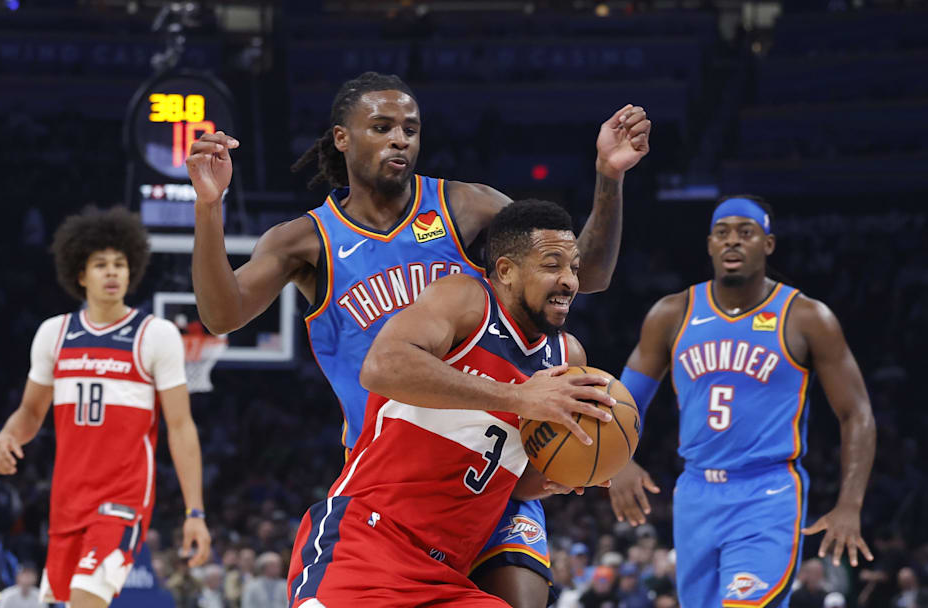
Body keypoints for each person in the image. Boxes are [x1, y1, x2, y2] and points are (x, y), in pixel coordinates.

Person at [186, 71, 650, 607]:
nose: (399, 139)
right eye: (381, 127)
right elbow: (222, 315)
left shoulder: (465, 207)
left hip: (491, 469)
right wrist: (208, 209)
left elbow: (569, 266)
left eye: (410, 128)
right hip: (393, 476)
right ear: (342, 137)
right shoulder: (306, 239)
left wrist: (607, 177)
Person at [285, 199, 612, 605]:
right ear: (507, 271)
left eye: (574, 268)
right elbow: (381, 366)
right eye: (552, 266)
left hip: (444, 574)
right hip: (366, 542)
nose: (569, 281)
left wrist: (560, 476)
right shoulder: (465, 301)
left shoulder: (567, 359)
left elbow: (513, 479)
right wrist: (518, 396)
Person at [608, 195, 877, 606]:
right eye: (723, 234)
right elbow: (625, 402)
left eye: (745, 233)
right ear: (710, 244)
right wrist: (619, 461)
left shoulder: (805, 317)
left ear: (767, 244)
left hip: (766, 492)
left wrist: (850, 504)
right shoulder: (672, 313)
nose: (732, 242)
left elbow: (855, 412)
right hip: (695, 491)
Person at [0, 206, 211, 608]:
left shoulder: (154, 335)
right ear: (80, 274)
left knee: (86, 601)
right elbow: (31, 412)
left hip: (121, 501)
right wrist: (7, 435)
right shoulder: (54, 334)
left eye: (120, 264)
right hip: (67, 503)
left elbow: (181, 427)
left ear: (132, 271)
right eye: (101, 265)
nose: (112, 272)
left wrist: (195, 511)